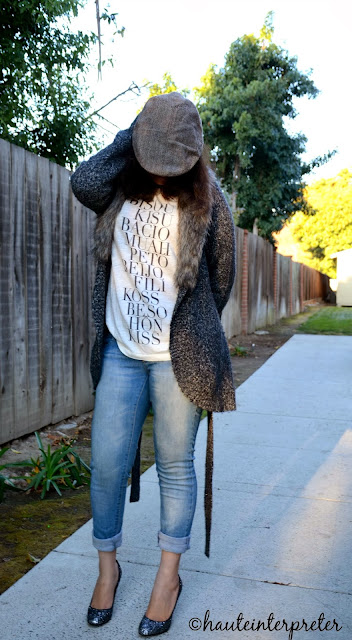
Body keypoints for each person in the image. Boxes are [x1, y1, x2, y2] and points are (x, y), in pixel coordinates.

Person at [70, 92, 237, 636]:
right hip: (120, 352)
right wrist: (135, 136)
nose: (163, 169)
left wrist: (191, 329)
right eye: (155, 155)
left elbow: (222, 277)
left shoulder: (209, 200)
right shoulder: (117, 186)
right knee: (106, 466)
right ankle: (108, 569)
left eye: (174, 158)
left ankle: (168, 579)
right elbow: (82, 181)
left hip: (176, 359)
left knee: (174, 466)